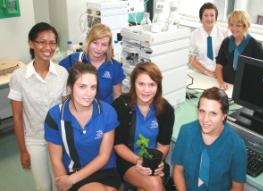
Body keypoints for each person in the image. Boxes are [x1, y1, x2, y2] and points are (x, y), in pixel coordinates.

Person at [8, 22, 68, 191]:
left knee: (63, 182)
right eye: (42, 41)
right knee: (44, 186)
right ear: (31, 43)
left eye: (52, 42)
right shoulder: (19, 77)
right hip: (34, 138)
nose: (48, 47)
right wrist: (23, 151)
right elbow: (18, 117)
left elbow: (67, 111)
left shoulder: (62, 73)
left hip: (59, 137)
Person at [44, 62, 121, 191]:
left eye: (93, 87)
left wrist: (70, 181)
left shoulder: (108, 112)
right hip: (75, 171)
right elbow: (56, 160)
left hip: (105, 169)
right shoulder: (55, 116)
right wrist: (64, 183)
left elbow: (104, 156)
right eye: (82, 87)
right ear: (70, 88)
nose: (89, 93)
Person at [112, 62, 175, 191]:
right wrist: (139, 161)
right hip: (128, 161)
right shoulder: (120, 106)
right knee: (154, 184)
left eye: (151, 84)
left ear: (158, 86)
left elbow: (163, 145)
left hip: (154, 162)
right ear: (134, 84)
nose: (146, 90)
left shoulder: (166, 110)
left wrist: (155, 163)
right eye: (141, 84)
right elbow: (118, 145)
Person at [172, 87, 247, 191]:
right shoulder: (186, 132)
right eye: (202, 111)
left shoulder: (236, 145)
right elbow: (178, 171)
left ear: (224, 115)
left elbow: (237, 187)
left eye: (213, 113)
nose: (205, 119)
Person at [59, 23, 125, 104]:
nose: (99, 48)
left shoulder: (114, 67)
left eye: (104, 44)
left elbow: (117, 96)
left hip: (104, 113)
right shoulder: (73, 60)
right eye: (95, 43)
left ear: (108, 46)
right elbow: (56, 74)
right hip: (79, 112)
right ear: (88, 41)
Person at [216, 10, 263, 90]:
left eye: (238, 25)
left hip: (245, 88)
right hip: (226, 85)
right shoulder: (226, 42)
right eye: (231, 25)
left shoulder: (254, 45)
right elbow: (219, 66)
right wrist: (221, 83)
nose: (234, 28)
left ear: (245, 26)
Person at [189, 2, 226, 77]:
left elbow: (227, 57)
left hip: (220, 74)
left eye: (212, 15)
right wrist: (206, 72)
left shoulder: (223, 33)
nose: (209, 18)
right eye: (206, 15)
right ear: (201, 18)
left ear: (215, 18)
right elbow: (191, 58)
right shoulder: (194, 35)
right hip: (200, 73)